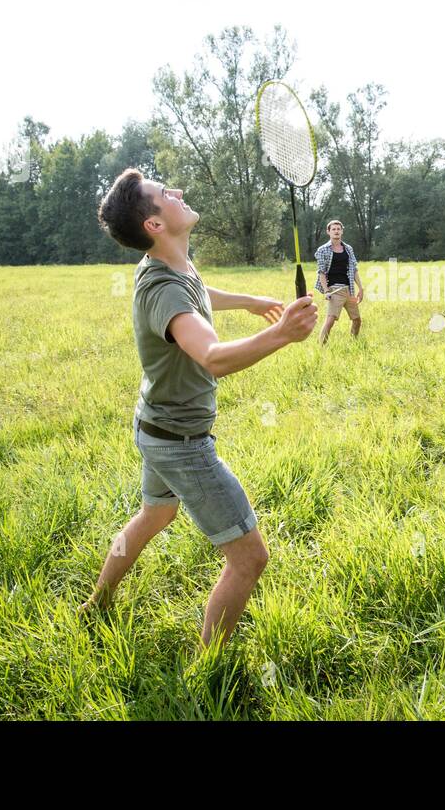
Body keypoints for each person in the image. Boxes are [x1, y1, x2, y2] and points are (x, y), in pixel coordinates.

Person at [85, 168, 316, 647]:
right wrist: (281, 334)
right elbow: (212, 357)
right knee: (250, 559)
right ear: (154, 224)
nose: (178, 192)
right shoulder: (162, 288)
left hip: (155, 426)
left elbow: (197, 295)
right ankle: (209, 666)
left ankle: (95, 605)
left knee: (154, 515)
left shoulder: (168, 266)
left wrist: (249, 301)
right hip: (181, 443)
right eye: (164, 193)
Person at [313, 219, 364, 344]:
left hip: (349, 289)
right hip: (334, 290)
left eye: (338, 229)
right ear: (328, 232)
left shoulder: (348, 249)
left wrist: (361, 288)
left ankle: (354, 344)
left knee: (357, 320)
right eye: (333, 229)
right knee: (330, 321)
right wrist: (326, 291)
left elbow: (354, 269)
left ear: (342, 231)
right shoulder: (323, 250)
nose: (336, 231)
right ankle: (321, 348)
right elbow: (321, 272)